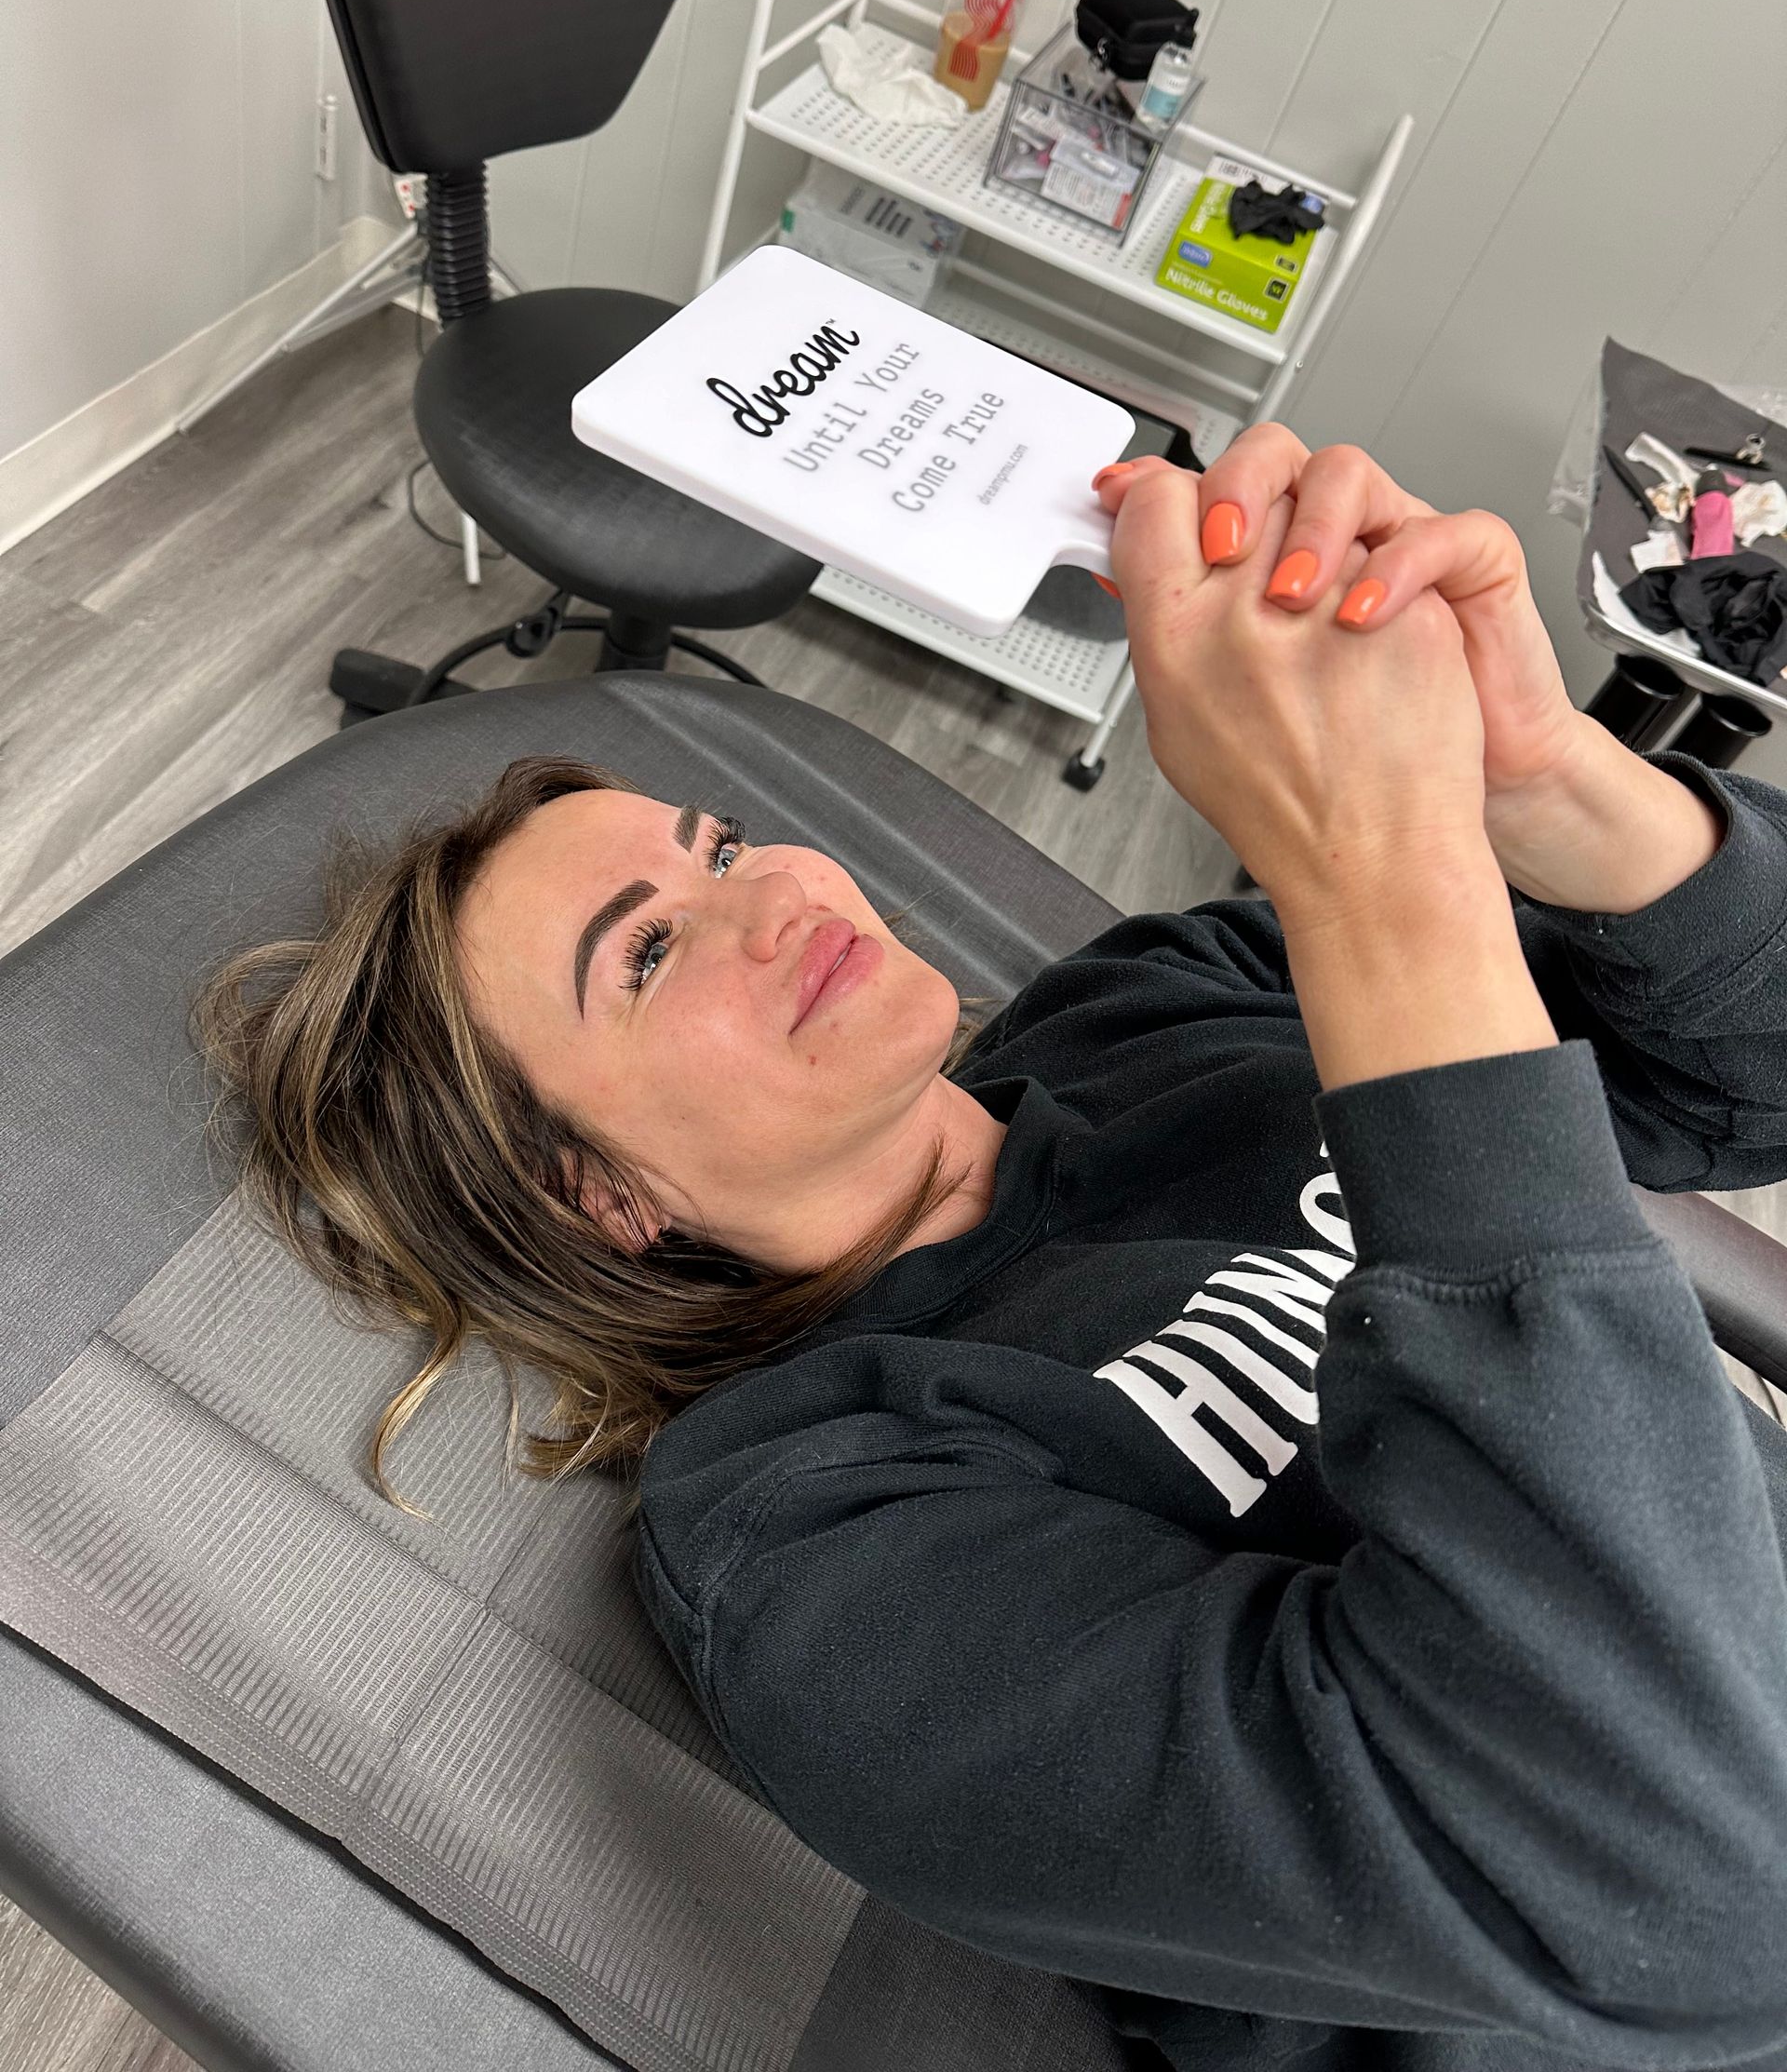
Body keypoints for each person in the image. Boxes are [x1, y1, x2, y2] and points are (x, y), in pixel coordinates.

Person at [199, 424, 1787, 2072]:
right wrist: (1378, 879)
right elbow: (1709, 1894)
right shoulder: (824, 1529)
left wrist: (1542, 779)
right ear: (600, 1195)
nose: (778, 899)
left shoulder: (1154, 1000)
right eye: (653, 950)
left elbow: (1754, 1071)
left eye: (721, 845)